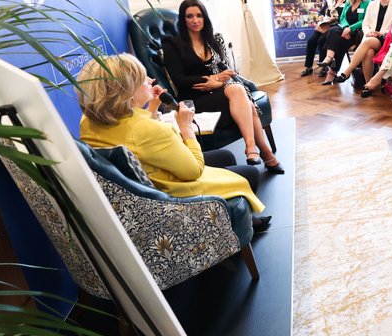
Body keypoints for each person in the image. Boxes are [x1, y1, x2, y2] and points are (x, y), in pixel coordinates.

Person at [76, 54, 268, 224]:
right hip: (171, 197)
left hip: (146, 180)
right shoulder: (150, 131)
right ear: (128, 92)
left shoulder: (88, 121)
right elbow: (193, 171)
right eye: (144, 79)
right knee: (249, 175)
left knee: (226, 157)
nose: (151, 80)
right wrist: (186, 129)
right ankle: (234, 225)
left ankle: (243, 220)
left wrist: (152, 108)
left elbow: (133, 136)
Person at [161, 0, 282, 170]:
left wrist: (217, 82)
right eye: (189, 16)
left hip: (222, 92)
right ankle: (263, 153)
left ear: (205, 18)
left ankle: (252, 149)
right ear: (183, 19)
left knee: (239, 93)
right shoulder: (172, 43)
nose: (195, 20)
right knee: (244, 99)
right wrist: (212, 80)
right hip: (194, 99)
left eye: (199, 15)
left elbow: (227, 72)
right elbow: (179, 79)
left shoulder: (213, 40)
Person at [329, 0, 392, 86]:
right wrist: (369, 32)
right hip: (371, 37)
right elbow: (365, 24)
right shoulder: (372, 4)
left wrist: (381, 33)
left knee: (367, 43)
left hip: (386, 37)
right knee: (368, 52)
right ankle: (368, 85)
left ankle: (347, 71)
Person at [317, 0, 369, 78]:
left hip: (357, 33)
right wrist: (345, 27)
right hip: (345, 31)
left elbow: (365, 20)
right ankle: (329, 58)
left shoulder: (367, 3)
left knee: (338, 42)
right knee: (333, 31)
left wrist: (350, 28)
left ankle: (332, 71)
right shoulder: (349, 2)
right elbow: (342, 17)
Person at [301, 0, 347, 77]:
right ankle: (308, 67)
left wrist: (333, 19)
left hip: (334, 28)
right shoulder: (330, 2)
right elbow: (321, 13)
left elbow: (344, 18)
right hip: (324, 26)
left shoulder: (346, 3)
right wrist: (321, 18)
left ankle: (324, 67)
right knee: (311, 41)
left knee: (322, 41)